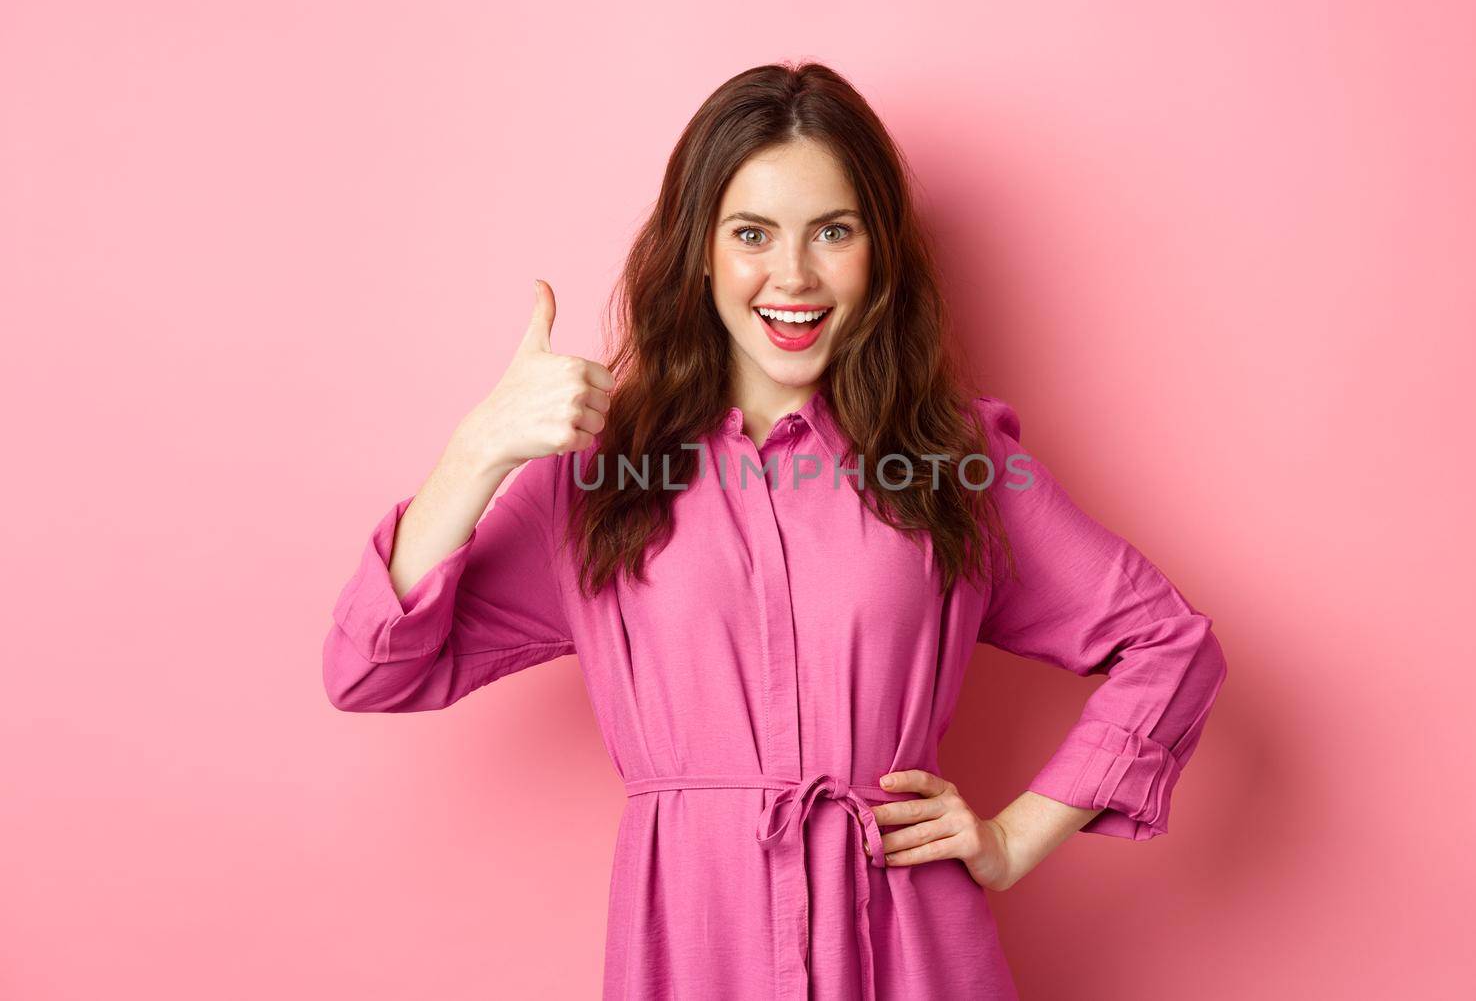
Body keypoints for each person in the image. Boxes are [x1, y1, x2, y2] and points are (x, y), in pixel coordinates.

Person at [321, 61, 1228, 1000]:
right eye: (752, 234)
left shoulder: (955, 461)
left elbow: (1169, 642)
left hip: (909, 951)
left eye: (832, 232)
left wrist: (1014, 837)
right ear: (700, 251)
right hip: (693, 950)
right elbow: (370, 670)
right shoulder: (596, 473)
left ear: (879, 252)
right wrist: (477, 453)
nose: (792, 276)